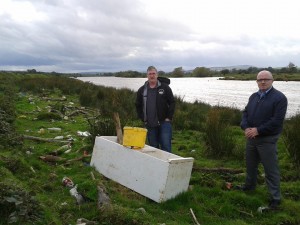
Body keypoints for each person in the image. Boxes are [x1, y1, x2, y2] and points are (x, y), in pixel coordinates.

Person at [238, 70, 288, 210]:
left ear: (272, 81)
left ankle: (275, 199)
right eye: (260, 80)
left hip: (267, 139)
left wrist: (258, 130)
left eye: (266, 79)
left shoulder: (279, 98)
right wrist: (246, 128)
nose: (263, 82)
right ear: (257, 81)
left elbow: (277, 121)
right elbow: (245, 113)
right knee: (250, 166)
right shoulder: (254, 96)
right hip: (251, 138)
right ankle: (249, 187)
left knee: (271, 170)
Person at [135, 66, 175, 152]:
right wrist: (142, 117)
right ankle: (157, 165)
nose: (152, 76)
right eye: (150, 74)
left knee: (166, 146)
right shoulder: (142, 90)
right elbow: (138, 105)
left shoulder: (165, 88)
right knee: (153, 147)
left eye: (153, 73)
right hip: (150, 124)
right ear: (147, 75)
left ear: (157, 75)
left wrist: (169, 117)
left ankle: (167, 164)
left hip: (164, 122)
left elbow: (172, 102)